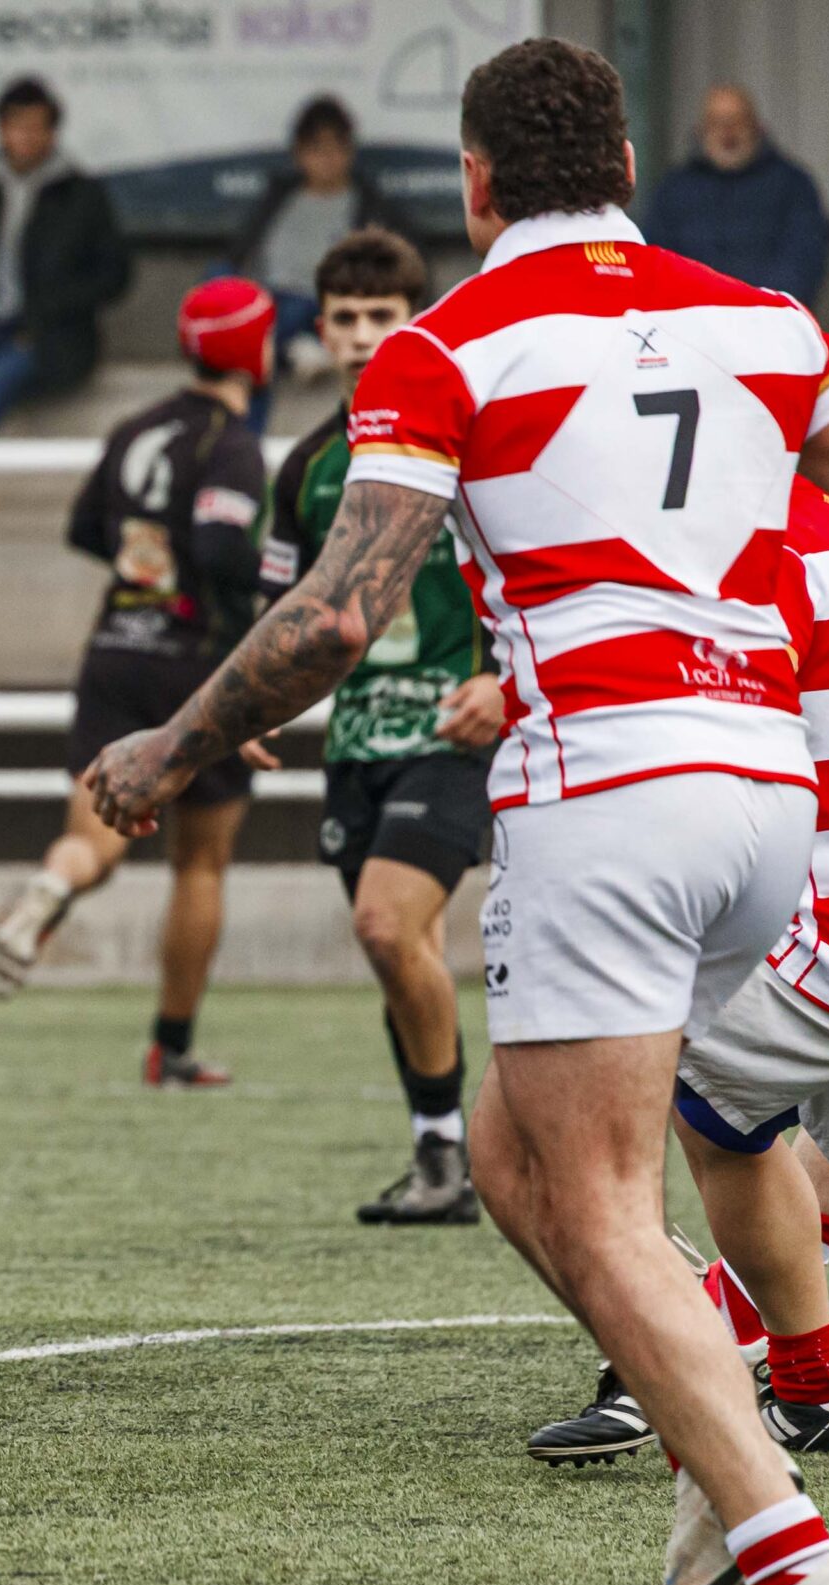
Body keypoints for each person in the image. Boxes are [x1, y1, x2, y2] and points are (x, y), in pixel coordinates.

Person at [82, 37, 829, 1585]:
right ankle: (734, 1471)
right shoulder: (764, 318)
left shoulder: (444, 345)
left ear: (476, 182)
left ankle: (791, 1568)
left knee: (594, 1201)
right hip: (764, 798)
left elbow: (339, 613)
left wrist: (167, 749)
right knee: (514, 1154)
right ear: (633, 166)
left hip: (610, 789)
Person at [530, 435, 829, 1488]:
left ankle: (713, 1358)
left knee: (620, 1085)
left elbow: (711, 781)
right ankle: (789, 1369)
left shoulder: (758, 559)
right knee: (722, 1109)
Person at [255, 230, 501, 1224]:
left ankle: (452, 1156)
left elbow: (530, 575)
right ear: (321, 329)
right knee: (401, 951)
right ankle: (438, 1154)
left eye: (382, 318)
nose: (362, 337)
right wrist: (248, 712)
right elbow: (282, 614)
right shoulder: (306, 469)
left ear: (417, 322)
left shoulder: (472, 441)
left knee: (384, 922)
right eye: (345, 320)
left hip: (455, 729)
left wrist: (504, 682)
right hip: (356, 740)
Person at [0, 279, 270, 1089]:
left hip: (114, 646)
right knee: (200, 863)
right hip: (196, 664)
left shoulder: (134, 427)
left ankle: (54, 881)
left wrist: (146, 570)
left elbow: (84, 527)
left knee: (95, 836)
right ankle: (169, 1046)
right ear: (256, 350)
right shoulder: (232, 442)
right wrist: (277, 582)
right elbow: (219, 552)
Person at [0, 77, 131, 441]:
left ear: (53, 133)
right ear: (2, 130)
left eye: (37, 127)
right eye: (18, 127)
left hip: (49, 331)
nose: (27, 137)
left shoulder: (80, 194)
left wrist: (59, 304)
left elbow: (114, 273)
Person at [225, 94, 411, 429]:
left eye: (336, 148)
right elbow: (241, 256)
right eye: (316, 148)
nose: (327, 159)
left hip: (324, 304)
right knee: (223, 285)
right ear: (299, 152)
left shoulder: (369, 205)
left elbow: (402, 269)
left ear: (350, 151)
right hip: (269, 301)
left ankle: (291, 350)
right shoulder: (279, 198)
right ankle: (290, 352)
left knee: (264, 339)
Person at [640, 84, 828, 306]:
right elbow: (655, 263)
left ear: (757, 127)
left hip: (768, 323)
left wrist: (757, 307)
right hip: (691, 324)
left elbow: (802, 261)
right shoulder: (673, 190)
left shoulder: (793, 187)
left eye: (737, 121)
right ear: (701, 131)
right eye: (717, 123)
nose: (727, 131)